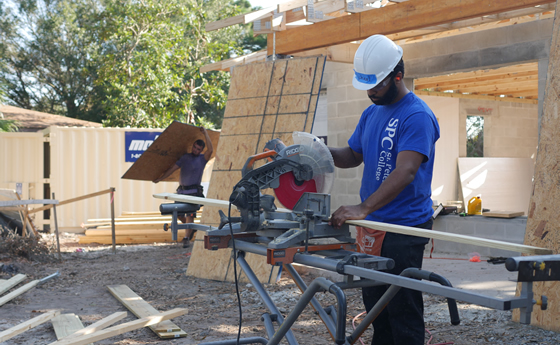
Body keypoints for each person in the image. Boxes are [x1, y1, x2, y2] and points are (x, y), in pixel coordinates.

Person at [328, 34, 440, 345]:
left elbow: (406, 171)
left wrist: (362, 208)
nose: (370, 92)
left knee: (402, 307)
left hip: (403, 226)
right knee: (375, 306)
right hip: (374, 225)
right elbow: (353, 155)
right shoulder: (372, 113)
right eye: (366, 86)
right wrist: (317, 152)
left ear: (397, 76)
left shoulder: (417, 115)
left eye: (376, 86)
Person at [153, 127, 214, 248]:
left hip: (194, 192)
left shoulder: (203, 159)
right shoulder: (185, 158)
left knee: (190, 214)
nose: (196, 150)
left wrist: (205, 133)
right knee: (177, 213)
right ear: (192, 146)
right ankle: (190, 229)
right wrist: (160, 178)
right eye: (194, 147)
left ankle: (186, 238)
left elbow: (211, 149)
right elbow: (172, 169)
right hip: (181, 192)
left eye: (198, 149)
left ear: (201, 150)